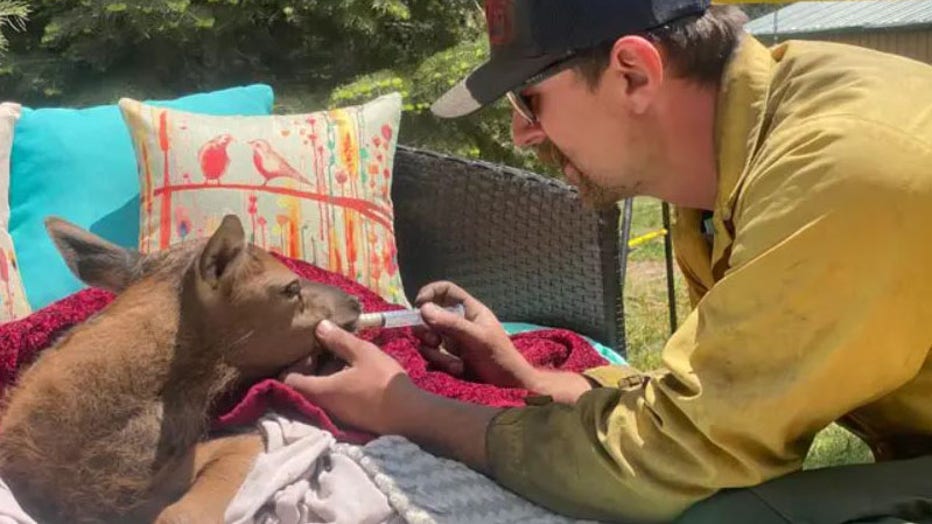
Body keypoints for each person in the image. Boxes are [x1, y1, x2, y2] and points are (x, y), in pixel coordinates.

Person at [283, 1, 932, 522]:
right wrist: (529, 379)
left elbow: (671, 461)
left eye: (528, 98)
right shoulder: (743, 145)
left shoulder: (836, 174)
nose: (521, 134)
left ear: (633, 74)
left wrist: (408, 412)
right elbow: (718, 395)